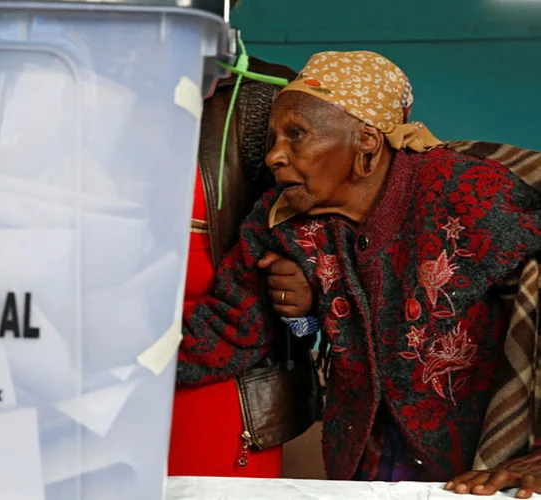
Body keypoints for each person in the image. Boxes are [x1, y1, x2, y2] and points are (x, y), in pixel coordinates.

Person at [177, 50, 541, 496]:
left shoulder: (465, 193)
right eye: (274, 138)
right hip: (367, 460)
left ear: (366, 141)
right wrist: (106, 361)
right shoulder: (284, 220)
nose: (274, 156)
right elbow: (229, 328)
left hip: (487, 465)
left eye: (296, 135)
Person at [167, 4, 320, 478]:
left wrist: (306, 305)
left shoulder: (264, 96)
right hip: (94, 355)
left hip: (223, 369)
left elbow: (314, 232)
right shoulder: (66, 89)